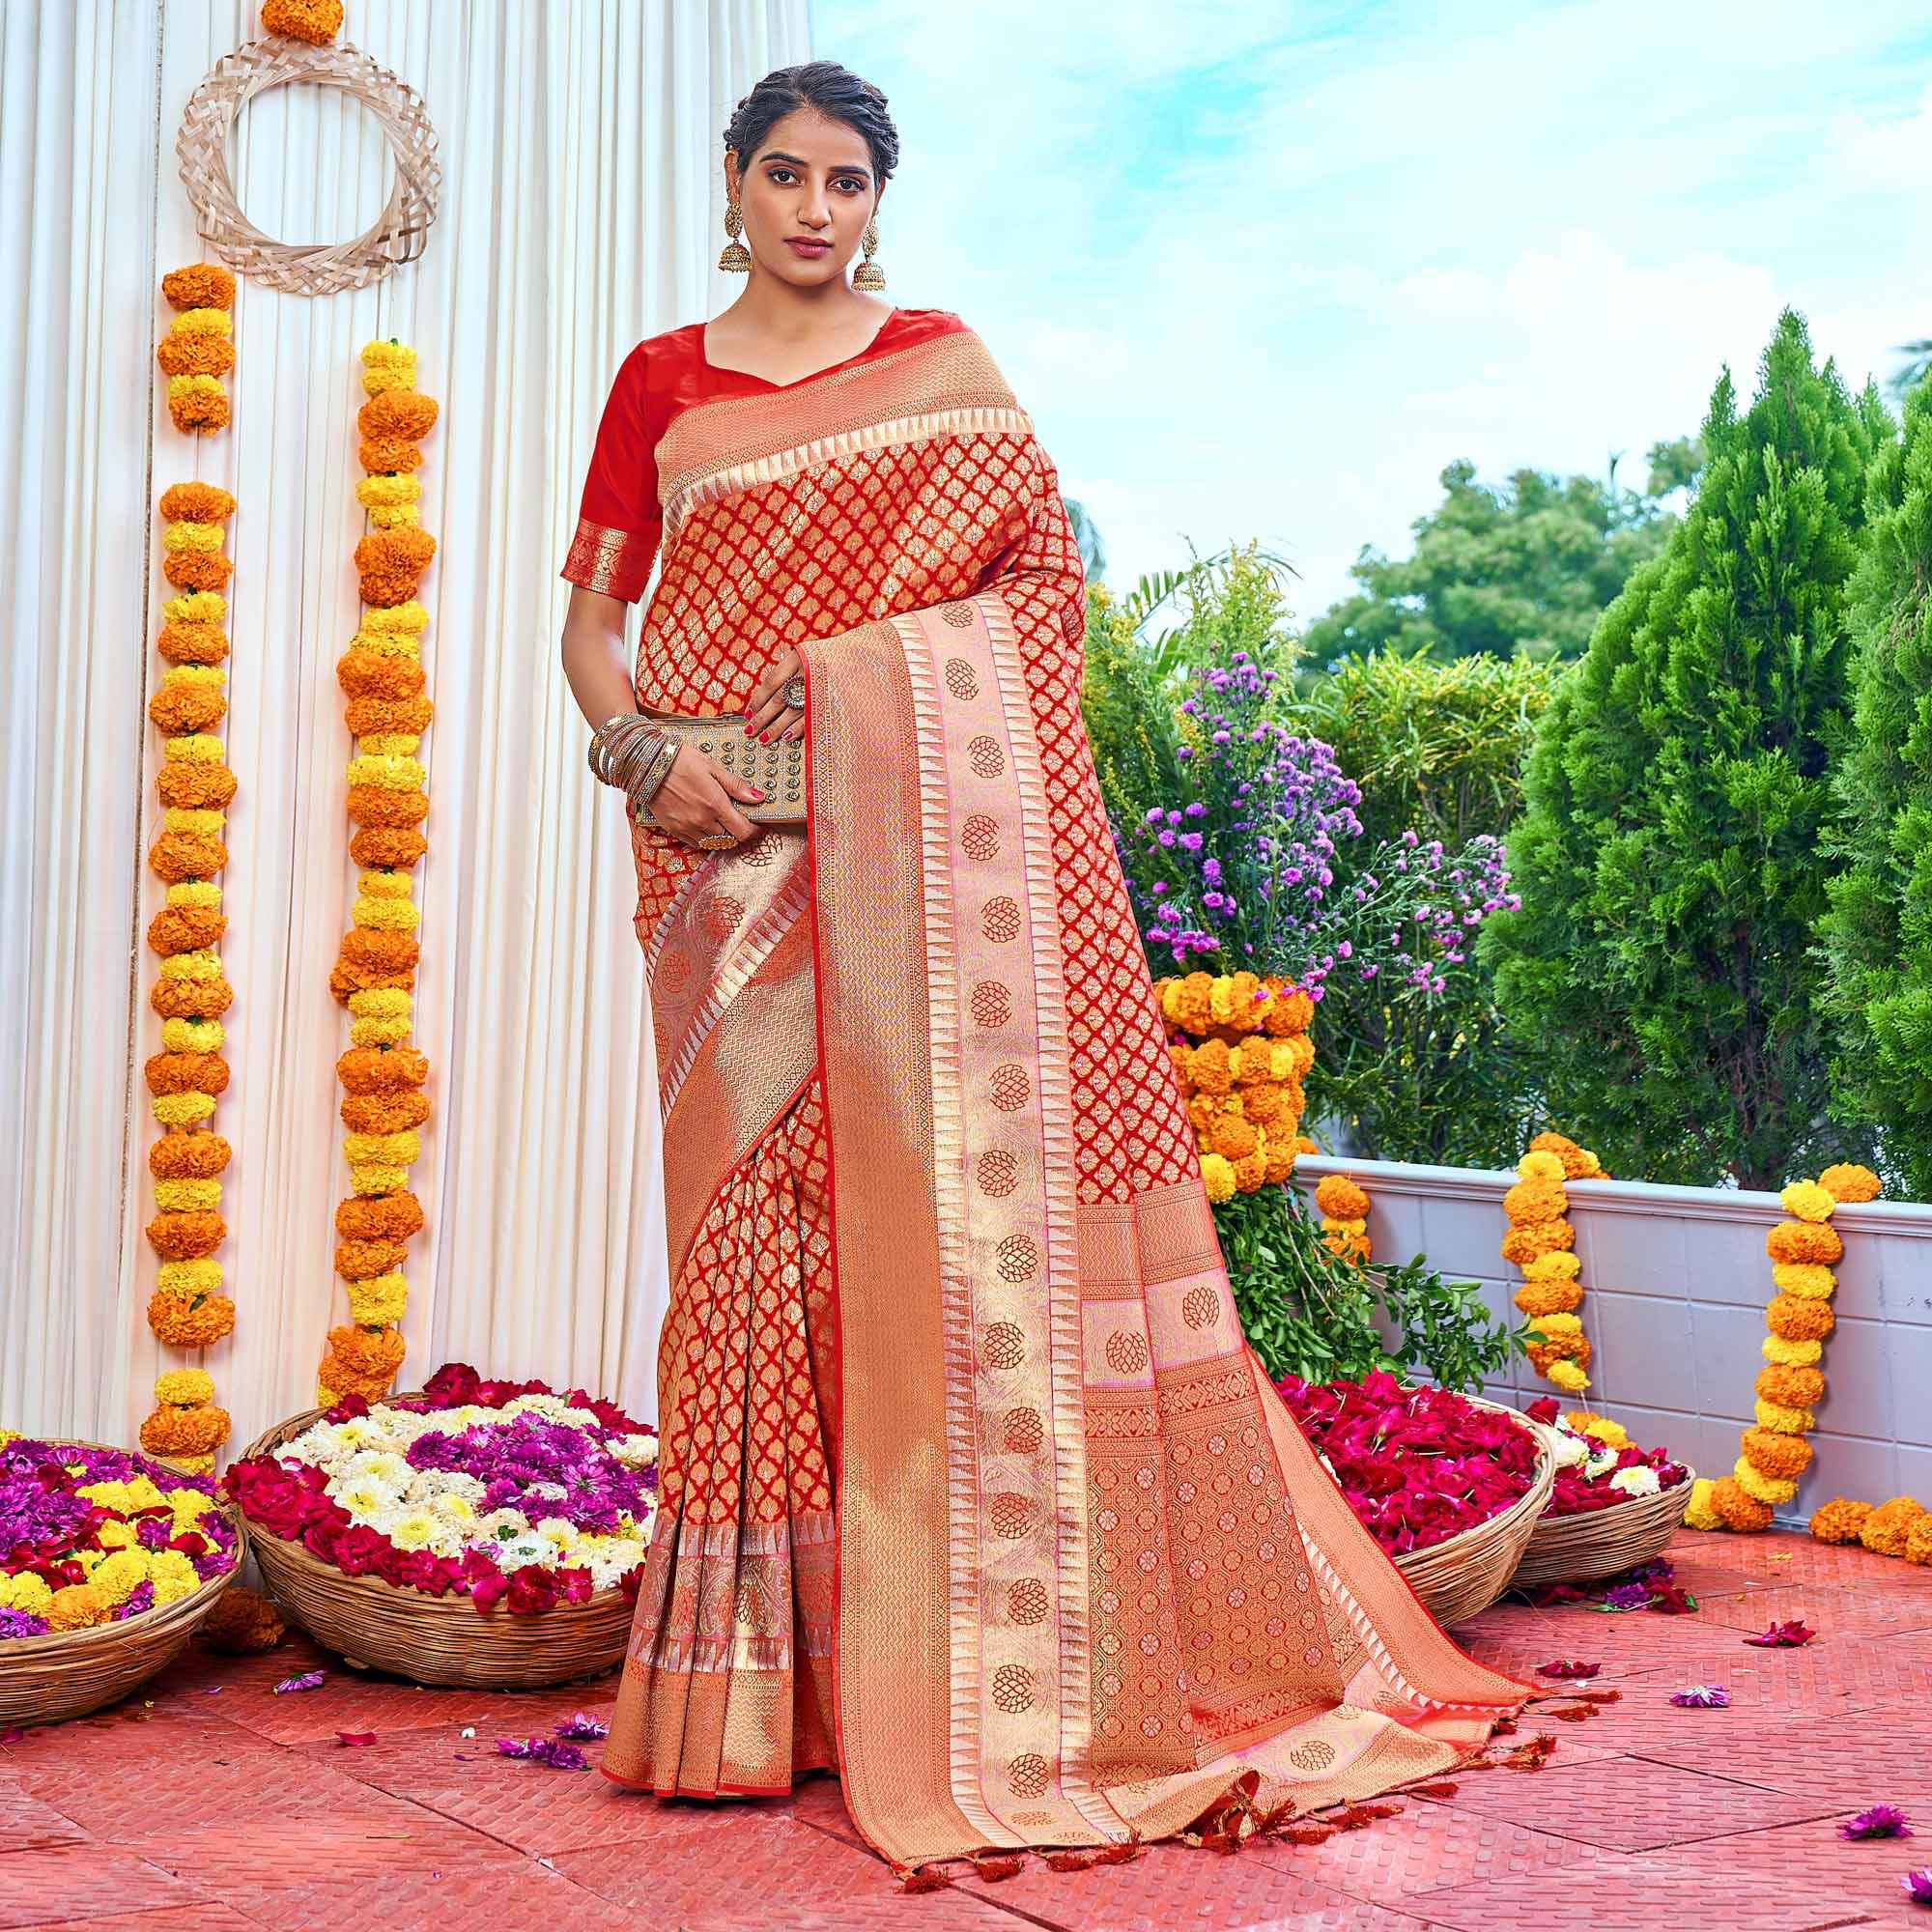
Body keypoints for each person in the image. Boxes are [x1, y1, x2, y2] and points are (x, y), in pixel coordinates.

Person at [556, 58, 1526, 1876]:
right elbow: (592, 627)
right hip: (718, 860)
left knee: (920, 1229)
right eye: (786, 175)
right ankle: (773, 1690)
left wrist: (854, 711)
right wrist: (641, 755)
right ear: (735, 183)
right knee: (756, 1239)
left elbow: (1033, 603)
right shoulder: (662, 385)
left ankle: (956, 1668)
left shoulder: (948, 369)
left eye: (848, 181)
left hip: (910, 856)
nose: (816, 210)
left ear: (880, 201)